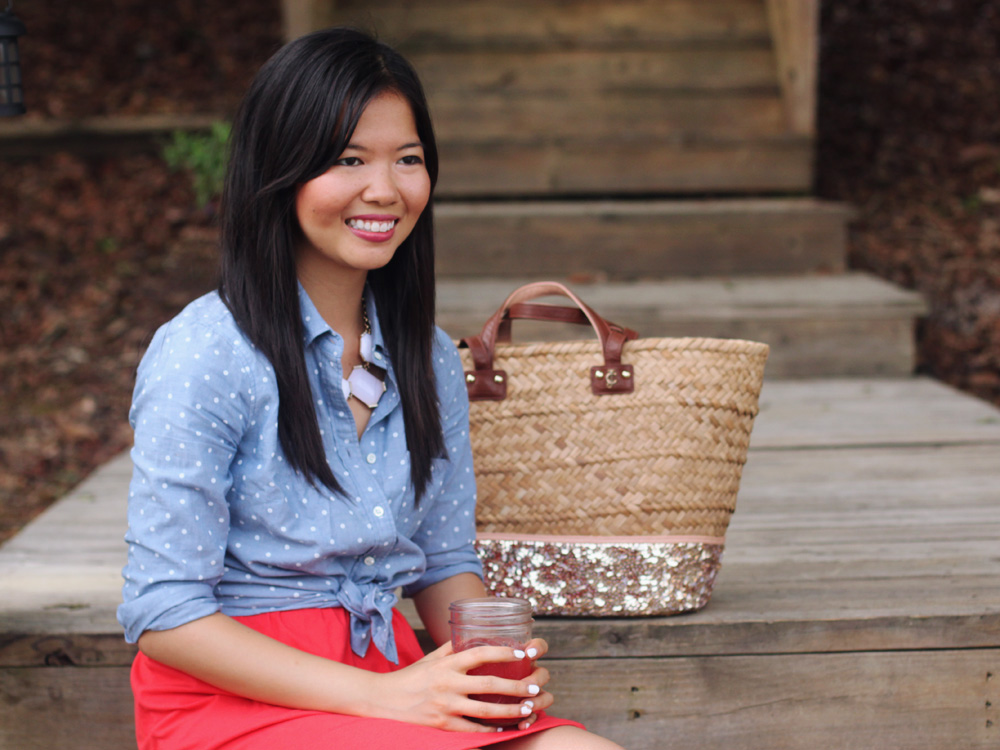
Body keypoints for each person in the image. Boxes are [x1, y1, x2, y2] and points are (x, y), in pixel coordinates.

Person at [118, 27, 624, 750]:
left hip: (390, 675)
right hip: (236, 700)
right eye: (348, 159)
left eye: (408, 159)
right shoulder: (207, 352)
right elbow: (164, 610)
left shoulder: (427, 356)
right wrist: (384, 696)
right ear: (279, 168)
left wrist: (491, 669)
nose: (385, 189)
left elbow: (443, 562)